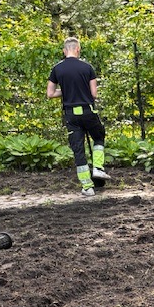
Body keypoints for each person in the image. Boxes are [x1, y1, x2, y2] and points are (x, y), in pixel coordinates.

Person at [47, 36, 109, 195]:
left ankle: (87, 186)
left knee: (78, 149)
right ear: (78, 49)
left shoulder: (57, 69)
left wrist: (67, 91)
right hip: (88, 111)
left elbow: (50, 93)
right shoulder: (87, 67)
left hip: (70, 115)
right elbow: (94, 94)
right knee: (99, 136)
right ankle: (98, 168)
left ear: (64, 50)